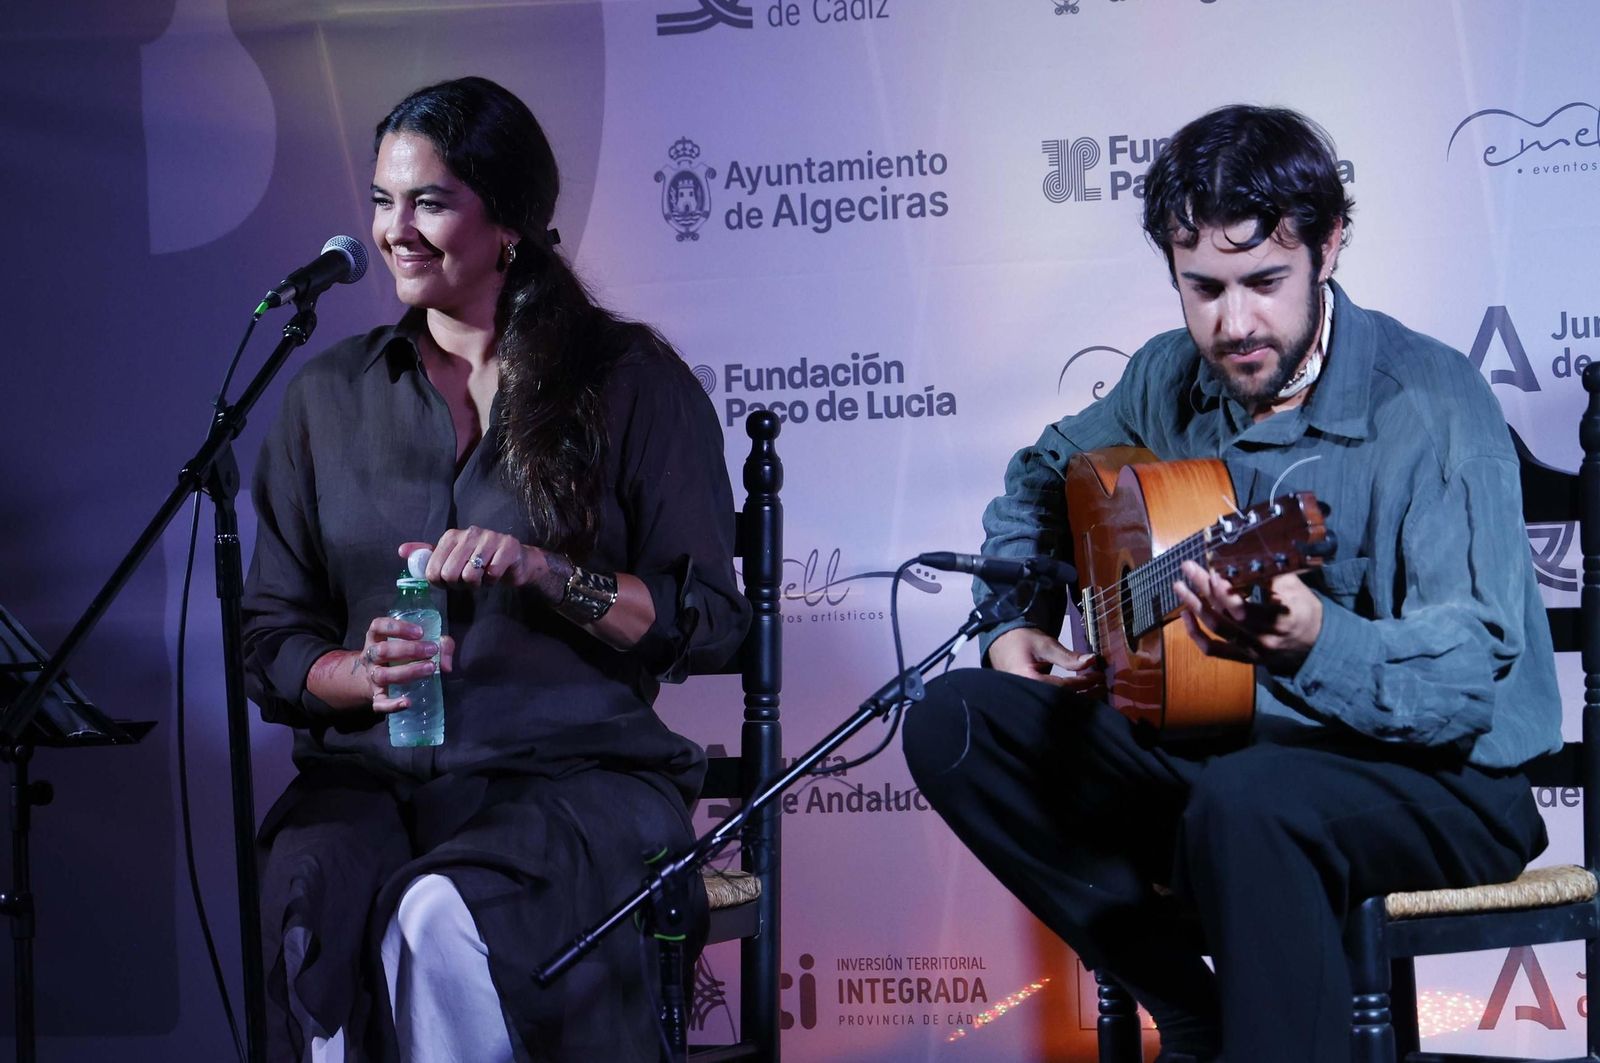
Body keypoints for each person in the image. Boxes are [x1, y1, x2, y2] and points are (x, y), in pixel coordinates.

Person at [902, 105, 1561, 1062]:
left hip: (1447, 778)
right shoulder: (1167, 377)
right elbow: (1042, 474)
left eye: (1264, 282)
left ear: (1329, 248)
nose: (1234, 322)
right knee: (957, 723)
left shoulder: (1431, 401)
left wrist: (1316, 642)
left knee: (1250, 804)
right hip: (1222, 755)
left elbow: (1468, 679)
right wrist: (1016, 623)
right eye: (1202, 288)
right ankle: (1190, 1006)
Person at [242, 76, 749, 1063]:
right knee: (314, 915)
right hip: (371, 779)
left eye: (430, 201)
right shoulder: (326, 400)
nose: (396, 229)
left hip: (575, 779)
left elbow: (712, 618)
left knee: (432, 919)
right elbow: (271, 634)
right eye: (385, 200)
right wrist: (359, 673)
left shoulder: (629, 382)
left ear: (509, 218)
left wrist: (549, 573)